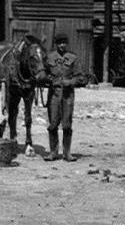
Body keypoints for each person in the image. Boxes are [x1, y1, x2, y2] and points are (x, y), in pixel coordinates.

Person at [44, 33, 87, 162]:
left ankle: (67, 153)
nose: (62, 45)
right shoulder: (49, 57)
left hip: (68, 95)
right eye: (59, 43)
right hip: (54, 95)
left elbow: (81, 77)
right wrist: (50, 79)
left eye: (64, 43)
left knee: (67, 125)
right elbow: (43, 74)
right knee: (53, 124)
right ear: (56, 44)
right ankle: (53, 152)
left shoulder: (73, 58)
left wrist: (71, 82)